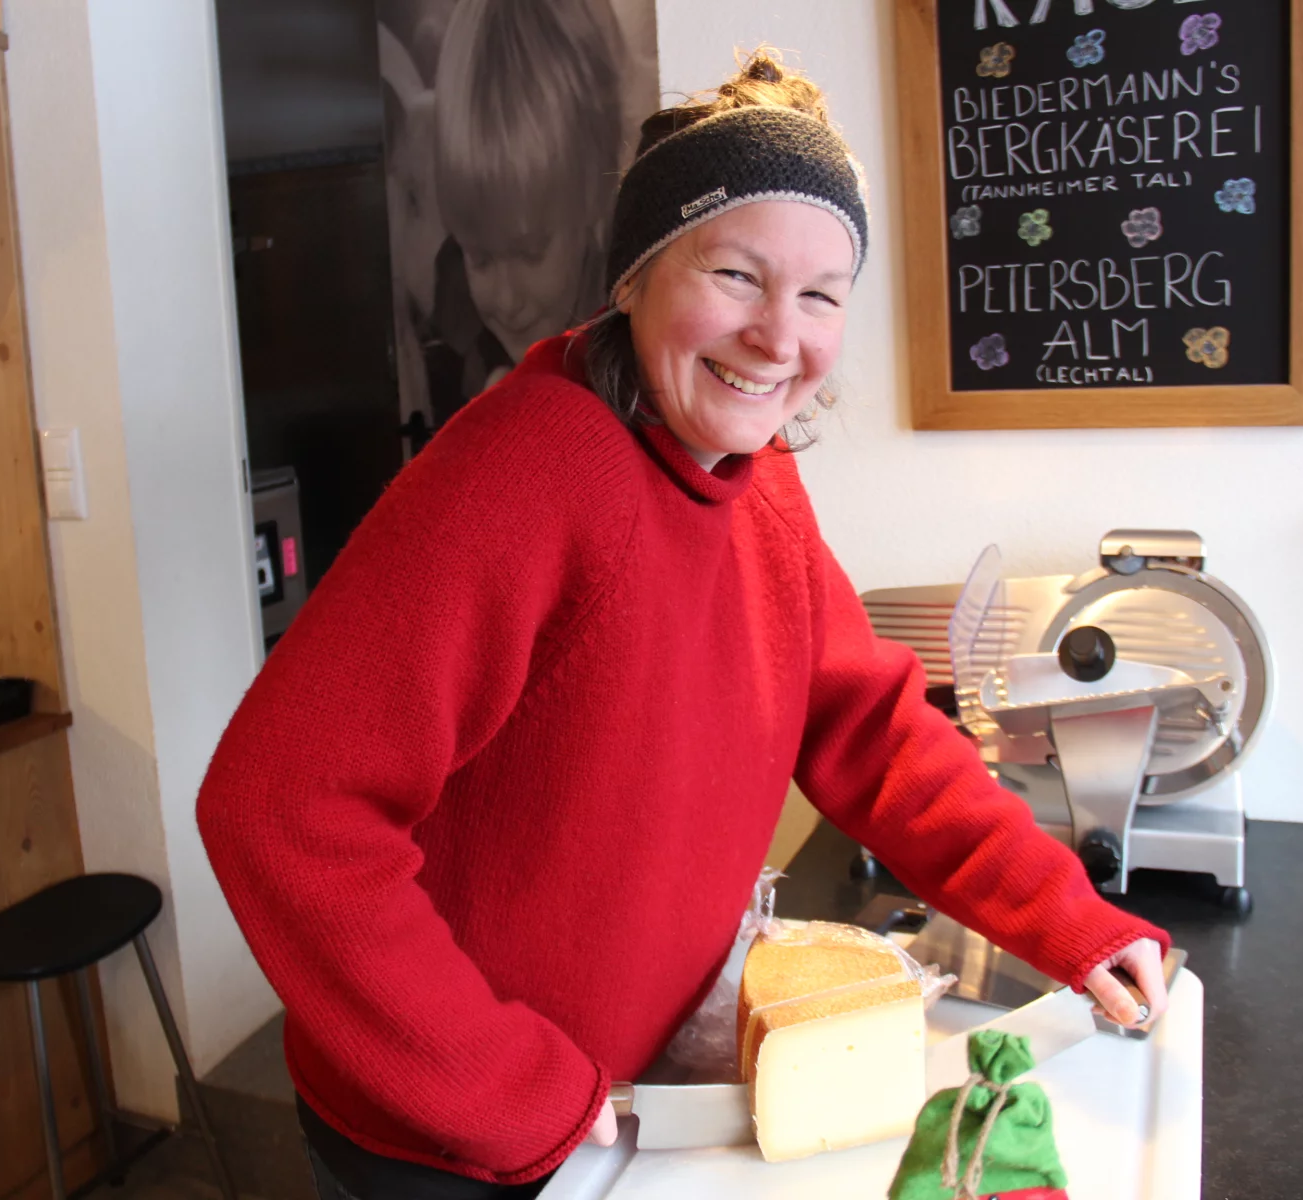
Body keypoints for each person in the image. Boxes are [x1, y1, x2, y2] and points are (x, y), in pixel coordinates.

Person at [197, 51, 1172, 1200]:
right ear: (635, 278)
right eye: (736, 274)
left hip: (610, 1101)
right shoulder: (531, 471)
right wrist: (505, 1089)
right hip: (455, 1139)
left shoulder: (753, 479)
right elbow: (278, 806)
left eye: (820, 295)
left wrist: (1069, 919)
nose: (778, 335)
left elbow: (873, 732)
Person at [418, 0, 626, 425]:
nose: (507, 301)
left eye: (531, 252)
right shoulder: (457, 326)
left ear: (594, 192)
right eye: (480, 257)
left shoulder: (635, 341)